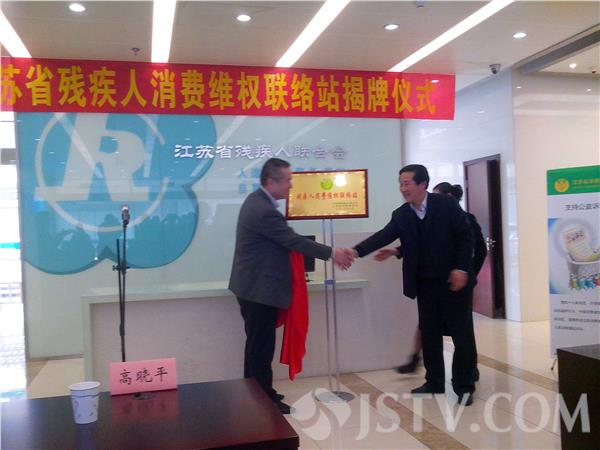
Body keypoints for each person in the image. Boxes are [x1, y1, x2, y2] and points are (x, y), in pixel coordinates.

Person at [229, 158, 354, 414]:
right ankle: (263, 401)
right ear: (271, 181)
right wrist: (333, 253)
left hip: (253, 287)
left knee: (256, 344)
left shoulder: (258, 202)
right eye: (287, 180)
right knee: (261, 347)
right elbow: (292, 240)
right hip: (258, 290)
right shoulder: (263, 209)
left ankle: (257, 393)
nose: (291, 185)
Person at [352, 165, 478, 405]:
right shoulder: (402, 214)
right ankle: (434, 381)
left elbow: (465, 236)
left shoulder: (446, 205)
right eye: (400, 184)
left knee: (462, 335)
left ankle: (464, 386)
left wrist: (461, 268)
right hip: (425, 283)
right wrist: (356, 251)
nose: (403, 188)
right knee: (429, 334)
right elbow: (384, 235)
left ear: (423, 184)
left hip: (455, 282)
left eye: (407, 183)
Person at [376, 182, 487, 381]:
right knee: (428, 327)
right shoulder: (422, 216)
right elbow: (423, 245)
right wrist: (397, 250)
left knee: (460, 332)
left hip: (458, 285)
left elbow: (478, 249)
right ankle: (424, 368)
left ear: (448, 198)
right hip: (434, 284)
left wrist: (468, 274)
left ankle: (468, 373)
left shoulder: (465, 219)